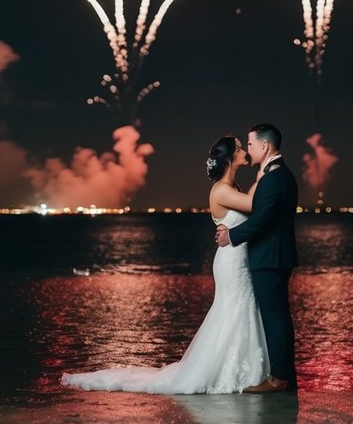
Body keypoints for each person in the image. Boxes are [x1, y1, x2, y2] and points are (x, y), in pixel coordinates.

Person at [61, 135, 270, 394]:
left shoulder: (233, 187)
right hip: (231, 260)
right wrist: (262, 176)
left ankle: (244, 367)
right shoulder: (221, 190)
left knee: (241, 308)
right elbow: (252, 205)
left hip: (238, 257)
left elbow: (246, 211)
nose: (243, 151)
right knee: (234, 308)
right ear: (229, 158)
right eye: (239, 148)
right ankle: (229, 370)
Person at [215, 122, 299, 393]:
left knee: (275, 319)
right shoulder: (276, 174)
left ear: (265, 146)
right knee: (278, 318)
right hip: (272, 257)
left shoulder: (274, 177)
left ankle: (279, 378)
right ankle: (283, 372)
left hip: (269, 258)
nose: (248, 150)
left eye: (249, 145)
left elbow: (261, 219)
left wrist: (232, 236)